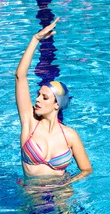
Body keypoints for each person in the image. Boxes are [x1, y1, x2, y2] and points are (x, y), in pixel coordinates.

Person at [15, 18, 92, 185]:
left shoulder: (70, 135)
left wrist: (66, 184)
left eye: (45, 97)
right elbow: (20, 76)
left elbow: (86, 169)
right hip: (31, 194)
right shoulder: (29, 122)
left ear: (57, 104)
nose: (37, 100)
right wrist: (35, 39)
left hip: (61, 195)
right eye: (38, 95)